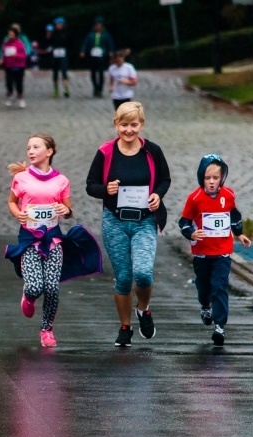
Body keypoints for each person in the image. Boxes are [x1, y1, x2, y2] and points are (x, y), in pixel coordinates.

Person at [85, 102, 171, 347]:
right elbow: (91, 186)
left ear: (141, 125)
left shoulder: (152, 151)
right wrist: (106, 189)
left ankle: (143, 308)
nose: (129, 130)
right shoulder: (105, 152)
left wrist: (158, 195)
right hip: (115, 221)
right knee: (123, 277)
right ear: (116, 125)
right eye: (124, 125)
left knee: (143, 273)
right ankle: (125, 327)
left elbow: (165, 179)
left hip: (144, 220)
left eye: (134, 125)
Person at [6, 134, 72, 347]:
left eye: (36, 147)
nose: (31, 151)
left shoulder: (61, 181)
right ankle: (28, 295)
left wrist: (65, 210)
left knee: (52, 287)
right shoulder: (21, 178)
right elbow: (12, 202)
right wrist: (18, 214)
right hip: (29, 240)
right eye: (29, 148)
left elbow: (68, 209)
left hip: (53, 239)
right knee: (35, 287)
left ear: (49, 151)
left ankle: (46, 329)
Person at [179, 155, 251, 346]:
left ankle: (220, 326)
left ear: (222, 178)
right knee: (204, 287)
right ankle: (205, 306)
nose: (211, 182)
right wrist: (192, 233)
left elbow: (234, 216)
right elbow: (184, 222)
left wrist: (239, 234)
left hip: (222, 252)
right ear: (201, 178)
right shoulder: (194, 198)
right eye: (207, 178)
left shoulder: (228, 195)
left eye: (215, 178)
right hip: (202, 252)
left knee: (219, 286)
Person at [79, 16, 115, 98]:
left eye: (99, 24)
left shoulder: (106, 35)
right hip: (92, 55)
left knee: (101, 72)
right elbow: (85, 43)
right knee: (93, 72)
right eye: (96, 24)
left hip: (101, 55)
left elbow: (110, 44)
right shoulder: (90, 35)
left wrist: (111, 52)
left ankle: (100, 89)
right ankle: (95, 87)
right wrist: (83, 50)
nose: (98, 26)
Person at [0, 26, 27, 108]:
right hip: (8, 66)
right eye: (9, 35)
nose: (10, 36)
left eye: (12, 35)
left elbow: (24, 56)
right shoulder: (6, 43)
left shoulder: (20, 44)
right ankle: (10, 96)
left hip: (19, 66)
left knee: (19, 83)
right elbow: (4, 53)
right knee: (8, 83)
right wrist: (1, 59)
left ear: (16, 35)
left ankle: (21, 99)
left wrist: (16, 55)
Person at [47, 17, 71, 98]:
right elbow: (48, 41)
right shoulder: (52, 32)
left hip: (63, 54)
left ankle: (66, 89)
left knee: (64, 71)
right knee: (55, 72)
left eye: (60, 24)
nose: (58, 26)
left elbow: (69, 43)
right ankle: (56, 90)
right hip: (55, 54)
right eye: (57, 24)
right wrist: (49, 34)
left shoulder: (66, 33)